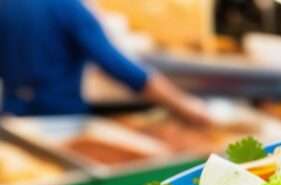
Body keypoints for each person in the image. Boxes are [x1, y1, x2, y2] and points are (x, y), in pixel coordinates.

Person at [0, 0, 209, 124]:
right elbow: (118, 66)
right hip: (60, 123)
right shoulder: (67, 7)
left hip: (13, 120)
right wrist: (185, 106)